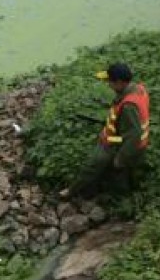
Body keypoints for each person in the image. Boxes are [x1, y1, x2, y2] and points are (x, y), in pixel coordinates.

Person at [59, 62, 149, 199]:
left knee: (94, 164)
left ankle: (72, 191)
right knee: (121, 174)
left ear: (119, 82)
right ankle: (123, 193)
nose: (108, 85)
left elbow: (134, 135)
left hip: (123, 143)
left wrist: (120, 158)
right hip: (131, 140)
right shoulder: (138, 89)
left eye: (110, 81)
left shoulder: (128, 106)